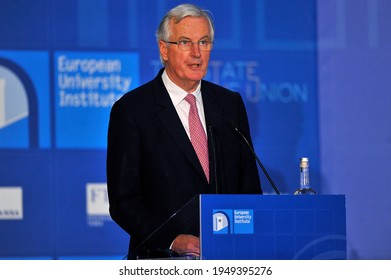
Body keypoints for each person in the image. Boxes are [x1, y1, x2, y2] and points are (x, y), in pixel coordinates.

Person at [106, 3, 262, 260]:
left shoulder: (228, 104)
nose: (197, 53)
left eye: (204, 42)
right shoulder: (132, 110)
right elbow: (124, 201)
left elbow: (249, 189)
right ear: (164, 49)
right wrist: (172, 239)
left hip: (228, 259)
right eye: (186, 42)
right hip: (161, 260)